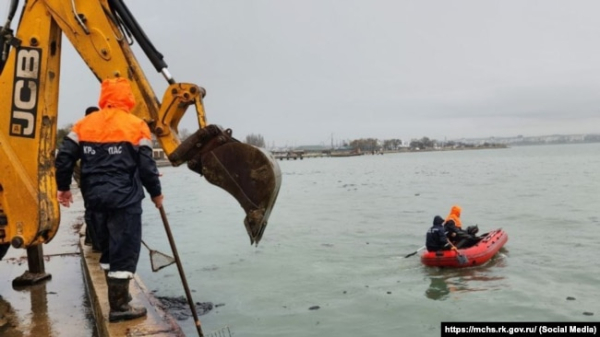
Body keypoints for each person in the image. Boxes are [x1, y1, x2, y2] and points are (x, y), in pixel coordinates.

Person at [55, 77, 163, 323]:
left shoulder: (83, 125)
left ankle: (117, 300)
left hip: (95, 199)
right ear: (129, 98)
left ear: (103, 97)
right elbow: (147, 167)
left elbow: (64, 158)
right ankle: (120, 306)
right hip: (125, 200)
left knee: (106, 250)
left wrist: (63, 188)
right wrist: (156, 194)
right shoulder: (137, 126)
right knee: (124, 251)